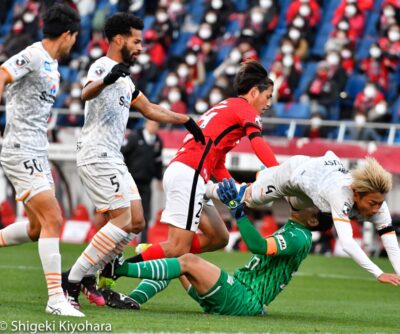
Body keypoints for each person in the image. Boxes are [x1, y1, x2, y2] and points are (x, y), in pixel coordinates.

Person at [102, 60, 279, 308]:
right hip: (190, 174)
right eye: (268, 96)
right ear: (253, 93)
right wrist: (277, 172)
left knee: (219, 237)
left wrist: (235, 188)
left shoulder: (225, 107)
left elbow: (216, 162)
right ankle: (120, 268)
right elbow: (258, 142)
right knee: (177, 248)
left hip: (190, 172)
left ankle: (156, 256)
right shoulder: (244, 110)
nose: (269, 102)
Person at [62, 12, 205, 309]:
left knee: (136, 221)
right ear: (118, 39)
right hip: (96, 154)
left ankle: (91, 276)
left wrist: (186, 120)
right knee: (124, 220)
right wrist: (107, 79)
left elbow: (151, 109)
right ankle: (72, 281)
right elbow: (86, 93)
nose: (141, 47)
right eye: (136, 41)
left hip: (112, 156)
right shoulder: (103, 66)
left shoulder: (126, 80)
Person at [208, 151, 400, 309]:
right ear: (356, 194)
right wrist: (378, 272)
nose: (377, 209)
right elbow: (348, 242)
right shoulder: (340, 195)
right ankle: (205, 188)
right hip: (294, 175)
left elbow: (393, 248)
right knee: (248, 199)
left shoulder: (378, 208)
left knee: (295, 204)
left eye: (380, 203)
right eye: (372, 203)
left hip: (312, 187)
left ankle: (264, 174)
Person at [0, 4, 84, 317]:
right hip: (20, 149)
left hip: (38, 151)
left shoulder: (53, 64)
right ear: (67, 35)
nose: (74, 44)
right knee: (54, 218)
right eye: (74, 38)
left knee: (37, 227)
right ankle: (56, 298)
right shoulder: (35, 55)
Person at [102, 179, 330, 314]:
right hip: (237, 291)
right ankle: (133, 300)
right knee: (181, 255)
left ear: (313, 220)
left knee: (187, 261)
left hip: (245, 299)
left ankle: (119, 269)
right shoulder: (294, 230)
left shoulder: (299, 236)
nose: (307, 199)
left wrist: (237, 212)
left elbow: (257, 245)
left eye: (313, 205)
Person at [121, 119, 164, 243]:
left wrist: (159, 179)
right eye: (152, 123)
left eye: (156, 124)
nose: (154, 126)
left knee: (145, 213)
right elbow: (123, 154)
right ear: (146, 124)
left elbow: (158, 162)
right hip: (131, 182)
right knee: (126, 211)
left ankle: (143, 241)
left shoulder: (157, 142)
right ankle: (121, 240)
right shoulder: (134, 138)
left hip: (146, 183)